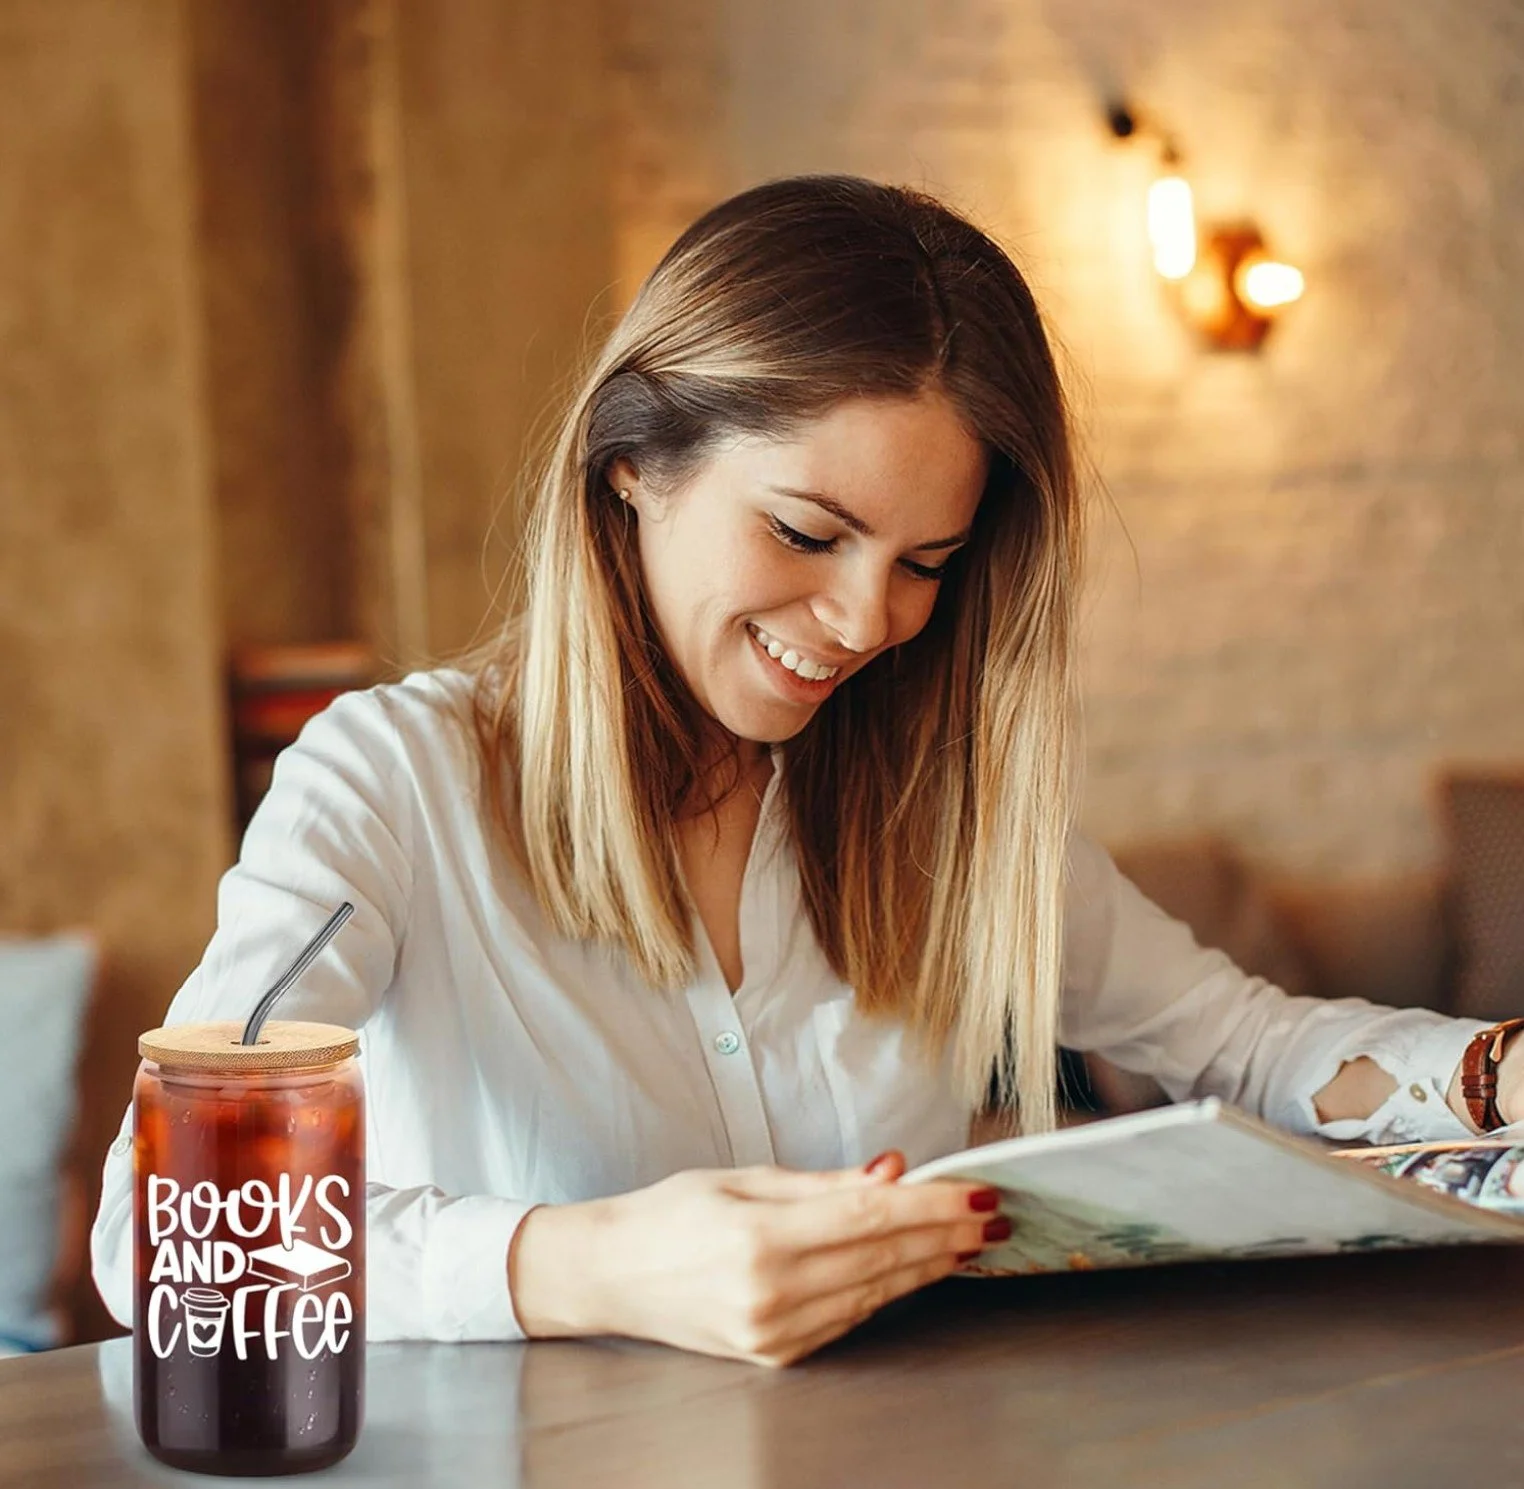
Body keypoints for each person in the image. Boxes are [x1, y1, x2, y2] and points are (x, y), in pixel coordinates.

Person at [90, 175, 1520, 1368]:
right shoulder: (393, 784)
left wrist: (1489, 1075)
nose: (865, 624)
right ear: (631, 468)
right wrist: (584, 1265)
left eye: (927, 568)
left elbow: (1245, 1048)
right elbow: (158, 1236)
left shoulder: (939, 807)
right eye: (806, 533)